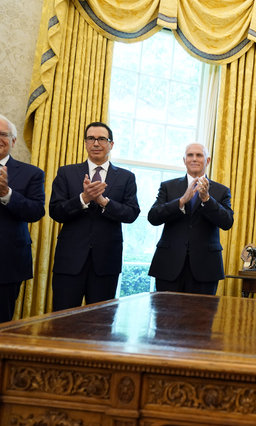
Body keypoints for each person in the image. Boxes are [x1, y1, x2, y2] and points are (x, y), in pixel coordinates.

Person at [49, 122, 140, 311]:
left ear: (111, 144)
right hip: (70, 261)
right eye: (91, 138)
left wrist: (103, 201)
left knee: (101, 321)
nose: (96, 143)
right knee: (63, 319)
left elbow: (131, 213)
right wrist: (83, 198)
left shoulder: (126, 177)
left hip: (106, 262)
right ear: (85, 143)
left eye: (101, 139)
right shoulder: (66, 172)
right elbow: (55, 211)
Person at [148, 143, 234, 295]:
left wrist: (207, 199)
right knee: (165, 311)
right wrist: (181, 201)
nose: (194, 159)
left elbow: (227, 222)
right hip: (169, 265)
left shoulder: (221, 191)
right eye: (190, 155)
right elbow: (153, 217)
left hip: (205, 268)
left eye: (199, 155)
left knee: (202, 311)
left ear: (207, 161)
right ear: (184, 160)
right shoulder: (168, 187)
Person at [0, 114, 45, 322]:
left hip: (7, 263)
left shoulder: (32, 173)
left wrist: (7, 194)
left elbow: (36, 212)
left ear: (13, 140)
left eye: (3, 134)